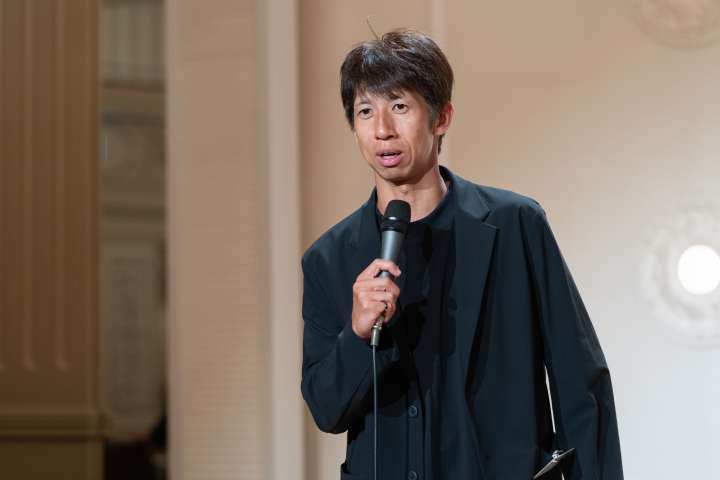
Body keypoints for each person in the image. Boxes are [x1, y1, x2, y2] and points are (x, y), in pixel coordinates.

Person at [300, 28, 623, 480]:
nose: (382, 129)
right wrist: (356, 335)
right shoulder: (329, 258)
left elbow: (580, 383)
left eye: (399, 106)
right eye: (365, 111)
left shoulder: (516, 225)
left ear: (442, 117)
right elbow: (326, 409)